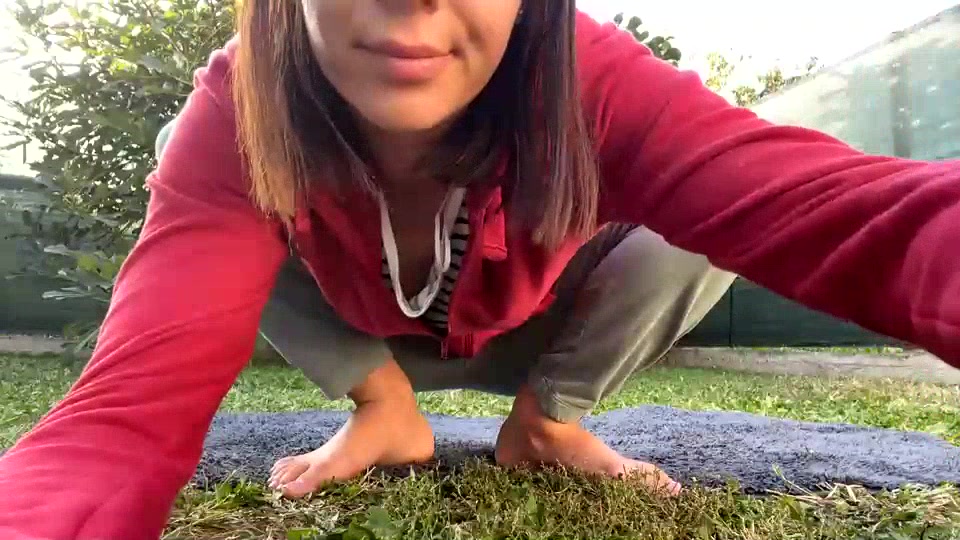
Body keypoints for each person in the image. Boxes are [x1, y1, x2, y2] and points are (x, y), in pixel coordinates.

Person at [1, 1, 959, 538]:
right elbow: (120, 425)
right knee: (221, 176)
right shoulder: (241, 105)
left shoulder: (588, 78)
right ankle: (384, 409)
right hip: (373, 339)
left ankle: (546, 424)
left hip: (544, 335)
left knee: (699, 228)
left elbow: (859, 217)